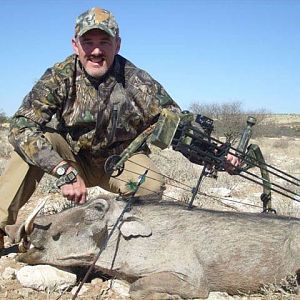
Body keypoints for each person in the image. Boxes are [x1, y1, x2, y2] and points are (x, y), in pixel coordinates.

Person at [0, 7, 239, 249]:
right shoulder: (58, 77)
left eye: (104, 42)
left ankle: (121, 239)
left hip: (119, 163)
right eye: (88, 42)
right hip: (72, 160)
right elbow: (21, 127)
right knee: (28, 148)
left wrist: (217, 155)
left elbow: (175, 125)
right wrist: (63, 171)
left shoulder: (137, 80)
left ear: (118, 44)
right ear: (75, 45)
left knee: (150, 184)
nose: (95, 51)